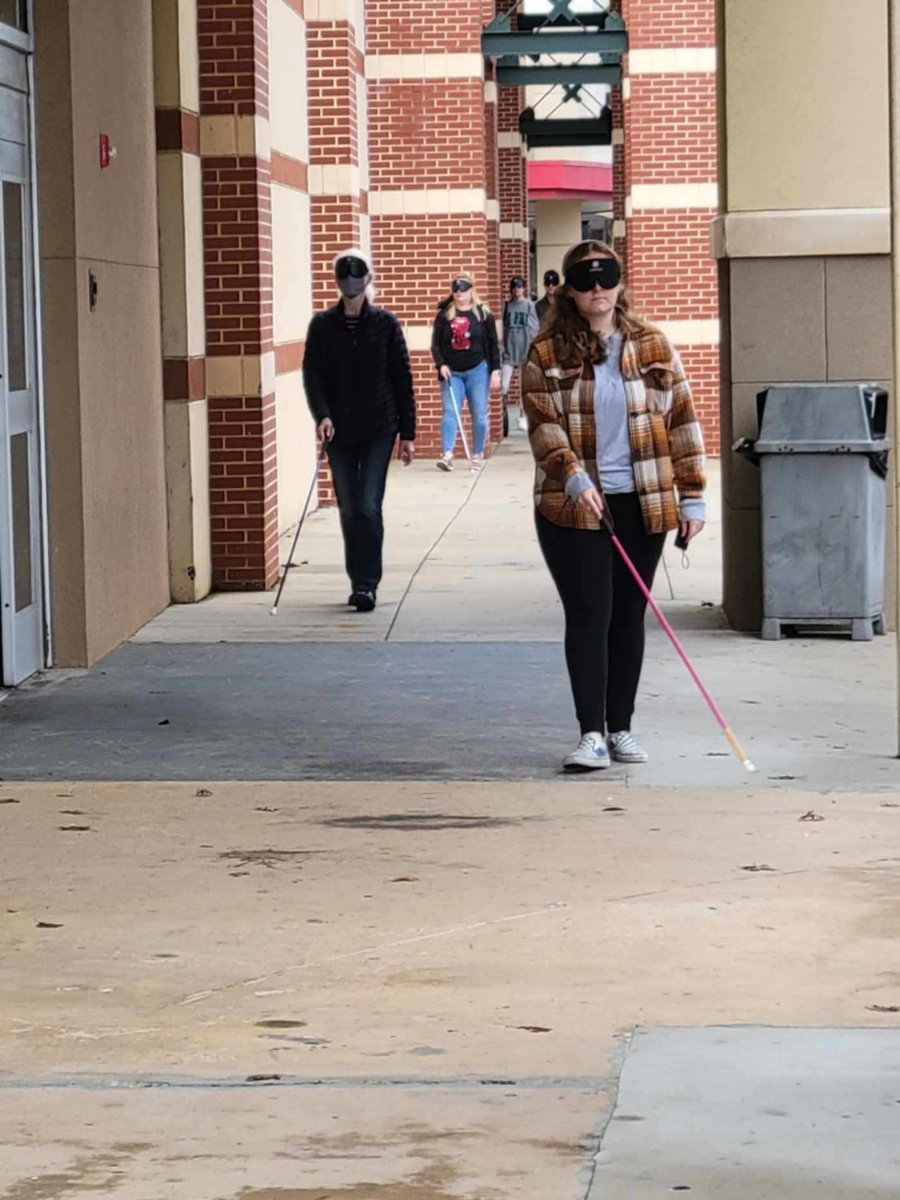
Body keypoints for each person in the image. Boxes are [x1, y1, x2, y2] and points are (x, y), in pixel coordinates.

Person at [522, 240, 706, 771]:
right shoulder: (546, 352)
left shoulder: (652, 345)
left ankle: (621, 727)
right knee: (589, 613)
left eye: (607, 278)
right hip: (572, 505)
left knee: (628, 616)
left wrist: (692, 498)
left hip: (643, 500)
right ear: (569, 290)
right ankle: (591, 734)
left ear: (621, 283)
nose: (597, 289)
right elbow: (542, 422)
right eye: (585, 281)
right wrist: (572, 472)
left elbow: (683, 423)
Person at [303, 248, 415, 613]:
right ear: (338, 283)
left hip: (380, 428)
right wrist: (322, 415)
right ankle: (358, 578)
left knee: (368, 506)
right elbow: (313, 376)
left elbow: (402, 379)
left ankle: (367, 584)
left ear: (368, 281)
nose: (351, 286)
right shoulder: (322, 326)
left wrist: (408, 435)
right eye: (344, 279)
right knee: (349, 508)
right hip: (339, 432)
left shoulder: (385, 325)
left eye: (357, 279)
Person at [431, 271, 500, 471]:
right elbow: (436, 345)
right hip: (452, 372)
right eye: (455, 289)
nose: (459, 293)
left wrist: (495, 370)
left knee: (479, 413)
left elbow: (493, 345)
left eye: (462, 289)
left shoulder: (483, 314)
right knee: (450, 411)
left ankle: (477, 454)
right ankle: (447, 454)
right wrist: (441, 364)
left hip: (477, 370)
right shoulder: (445, 316)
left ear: (471, 291)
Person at [501, 275, 539, 434]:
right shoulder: (506, 306)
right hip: (509, 351)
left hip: (524, 351)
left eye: (519, 287)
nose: (516, 290)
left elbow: (534, 328)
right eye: (514, 287)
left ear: (524, 289)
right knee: (504, 385)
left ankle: (524, 416)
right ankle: (502, 413)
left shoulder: (530, 306)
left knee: (524, 387)